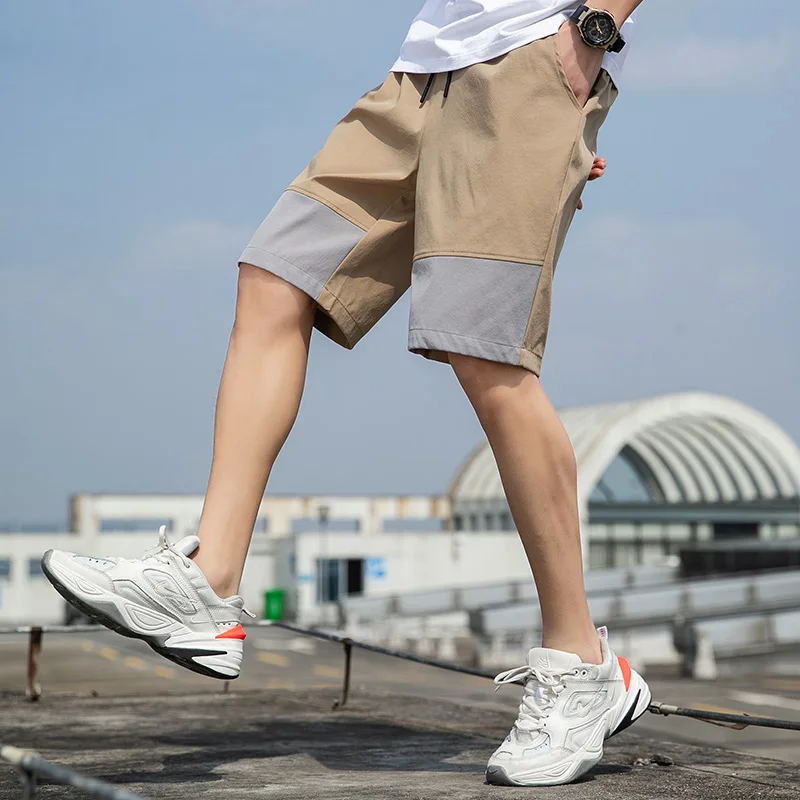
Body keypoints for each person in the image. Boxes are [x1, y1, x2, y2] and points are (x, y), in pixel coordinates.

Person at [42, 1, 651, 786]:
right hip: (427, 66)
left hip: (530, 58)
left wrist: (591, 34)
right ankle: (208, 581)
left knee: (485, 354)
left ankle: (581, 665)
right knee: (276, 276)